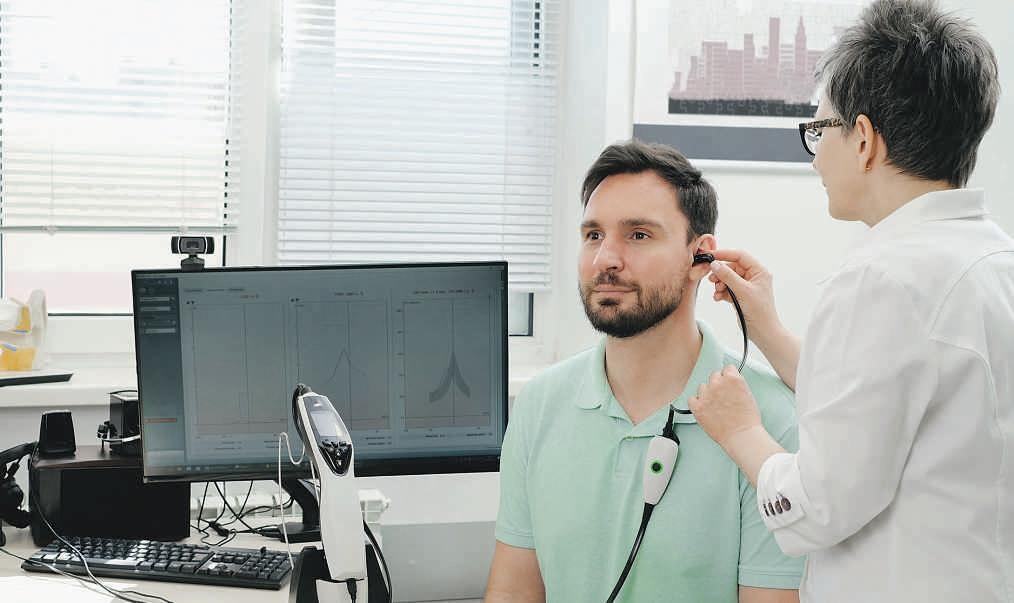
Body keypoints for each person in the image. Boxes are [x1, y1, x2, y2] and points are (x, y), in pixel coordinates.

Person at [688, 1, 1013, 602]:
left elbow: (818, 507)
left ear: (863, 139)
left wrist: (741, 431)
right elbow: (888, 402)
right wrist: (768, 330)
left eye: (819, 130)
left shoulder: (881, 278)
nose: (816, 155)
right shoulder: (994, 261)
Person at [484, 140, 803, 602]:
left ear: (700, 257)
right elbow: (514, 592)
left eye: (638, 235)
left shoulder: (769, 420)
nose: (605, 259)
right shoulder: (540, 404)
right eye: (593, 235)